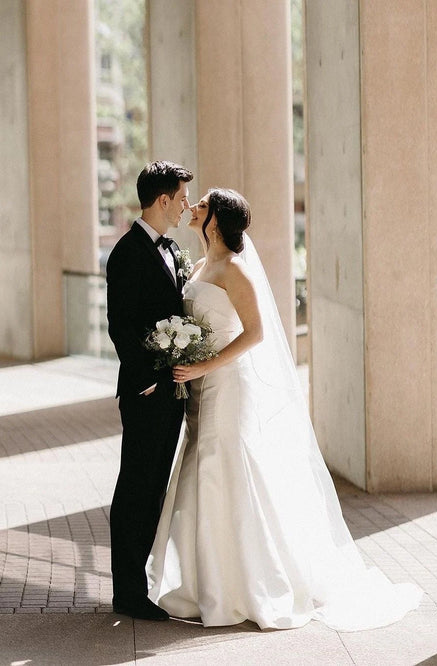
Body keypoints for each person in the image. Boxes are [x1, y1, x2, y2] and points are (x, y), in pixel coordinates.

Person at [146, 188, 422, 631]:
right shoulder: (198, 265)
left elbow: (254, 334)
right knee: (204, 470)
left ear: (215, 220)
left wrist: (204, 365)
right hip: (200, 389)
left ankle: (245, 585)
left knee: (226, 469)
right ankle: (206, 585)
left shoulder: (235, 270)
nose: (193, 206)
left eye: (202, 204)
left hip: (228, 385)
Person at [106, 160, 193, 621]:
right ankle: (127, 592)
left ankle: (140, 585)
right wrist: (146, 379)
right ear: (162, 199)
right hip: (145, 391)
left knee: (155, 487)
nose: (184, 207)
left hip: (172, 394)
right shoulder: (126, 253)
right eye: (180, 198)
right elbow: (120, 326)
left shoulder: (174, 249)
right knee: (135, 488)